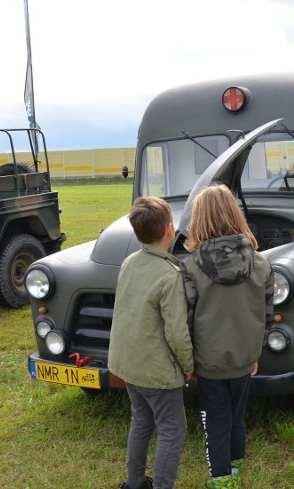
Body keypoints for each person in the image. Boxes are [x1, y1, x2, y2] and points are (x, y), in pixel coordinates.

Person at [180, 184, 273, 488]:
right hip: (245, 358)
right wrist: (256, 350)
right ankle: (234, 472)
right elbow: (267, 312)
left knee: (215, 423)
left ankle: (221, 482)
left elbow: (186, 318)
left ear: (198, 219)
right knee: (237, 417)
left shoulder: (191, 267)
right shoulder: (261, 263)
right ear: (237, 214)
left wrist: (187, 361)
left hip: (208, 362)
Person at [108, 196, 195, 489]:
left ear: (136, 232)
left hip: (129, 364)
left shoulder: (130, 262)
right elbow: (177, 332)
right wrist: (189, 365)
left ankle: (134, 482)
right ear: (170, 229)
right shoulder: (170, 275)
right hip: (157, 371)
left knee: (141, 421)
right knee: (172, 430)